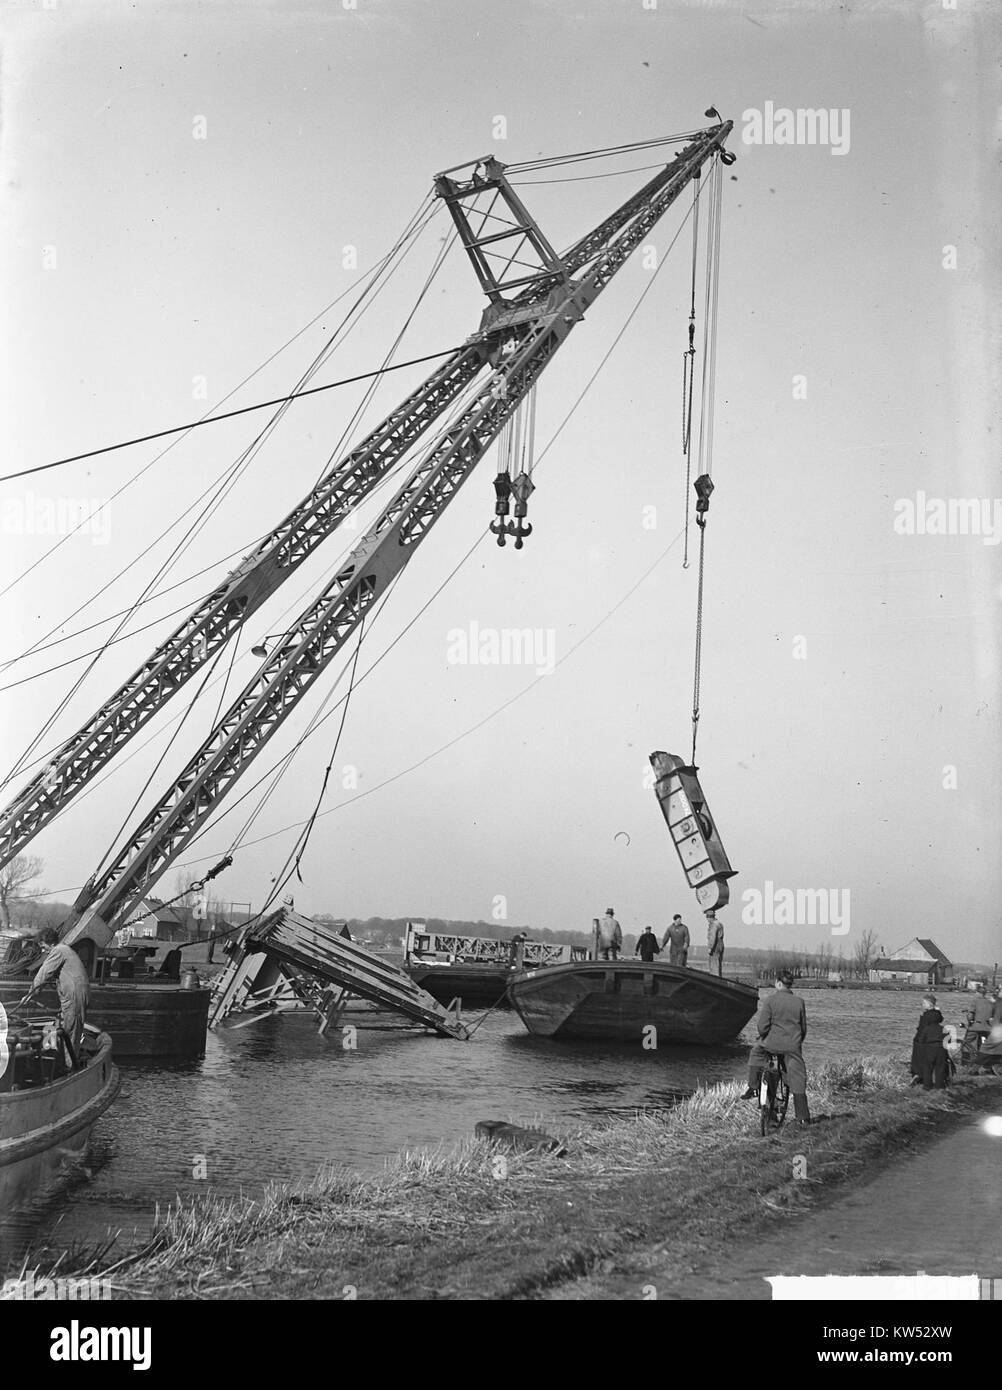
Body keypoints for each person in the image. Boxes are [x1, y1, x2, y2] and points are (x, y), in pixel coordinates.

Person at [740, 969, 811, 1126]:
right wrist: (797, 1042)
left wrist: (764, 1036)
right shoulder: (799, 1002)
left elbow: (762, 1027)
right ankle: (803, 1117)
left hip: (770, 1044)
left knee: (756, 1053)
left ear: (778, 983)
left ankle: (752, 1086)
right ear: (789, 985)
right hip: (792, 1046)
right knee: (798, 1076)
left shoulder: (771, 1001)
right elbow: (803, 1029)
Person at [20, 927, 90, 1065]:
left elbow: (44, 973)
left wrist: (30, 994)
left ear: (50, 943)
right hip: (75, 995)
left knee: (70, 1032)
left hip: (74, 996)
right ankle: (60, 1061)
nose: (42, 950)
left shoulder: (58, 951)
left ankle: (68, 1069)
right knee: (67, 1027)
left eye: (43, 946)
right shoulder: (65, 950)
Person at [910, 994, 948, 1090]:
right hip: (938, 1045)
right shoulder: (938, 1016)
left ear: (929, 1004)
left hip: (925, 1042)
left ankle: (924, 1082)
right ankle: (939, 1085)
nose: (922, 1005)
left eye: (924, 1003)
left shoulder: (927, 1016)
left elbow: (922, 1029)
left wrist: (918, 1039)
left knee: (925, 1064)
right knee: (939, 1066)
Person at [966, 984, 993, 1050]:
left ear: (978, 993)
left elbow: (970, 1016)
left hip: (976, 1028)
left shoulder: (975, 1001)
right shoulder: (990, 1002)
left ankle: (967, 1056)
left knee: (967, 1042)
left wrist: (969, 1019)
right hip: (988, 1028)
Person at [705, 908, 725, 978]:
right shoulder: (719, 923)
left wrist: (710, 947)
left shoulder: (714, 925)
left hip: (715, 946)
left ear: (709, 917)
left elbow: (713, 937)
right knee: (718, 964)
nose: (707, 920)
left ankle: (715, 980)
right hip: (720, 944)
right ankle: (719, 979)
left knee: (714, 965)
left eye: (707, 918)